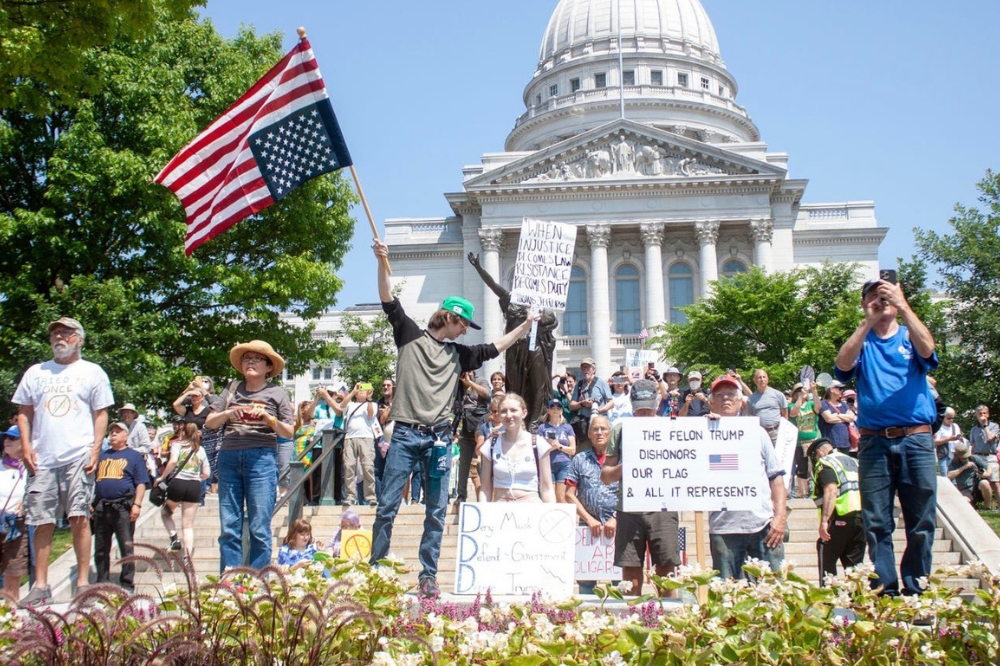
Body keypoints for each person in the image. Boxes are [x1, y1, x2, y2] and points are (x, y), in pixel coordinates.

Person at [369, 238, 539, 599]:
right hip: (404, 435)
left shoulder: (461, 355)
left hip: (439, 439)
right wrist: (382, 261)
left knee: (436, 510)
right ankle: (376, 569)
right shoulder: (410, 336)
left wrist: (525, 327)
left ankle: (427, 577)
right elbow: (388, 300)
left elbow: (495, 347)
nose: (466, 331)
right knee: (386, 507)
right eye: (464, 324)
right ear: (450, 318)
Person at [835, 276, 938, 596]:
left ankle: (916, 585)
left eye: (885, 296)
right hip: (875, 441)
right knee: (877, 521)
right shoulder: (862, 343)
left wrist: (903, 305)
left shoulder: (909, 335)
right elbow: (841, 364)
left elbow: (929, 350)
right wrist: (867, 321)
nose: (880, 303)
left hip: (916, 439)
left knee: (921, 520)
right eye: (872, 298)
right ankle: (886, 589)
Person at [12, 316, 115, 607]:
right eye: (55, 333)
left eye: (66, 333)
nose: (59, 337)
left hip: (78, 454)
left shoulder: (92, 372)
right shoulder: (36, 372)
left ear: (79, 339)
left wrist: (96, 449)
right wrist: (26, 445)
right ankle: (41, 585)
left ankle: (83, 583)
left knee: (79, 516)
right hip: (42, 456)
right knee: (40, 519)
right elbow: (24, 412)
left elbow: (101, 413)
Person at [205, 340, 293, 571]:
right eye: (246, 358)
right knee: (229, 525)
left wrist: (269, 418)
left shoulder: (277, 393)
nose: (250, 362)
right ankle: (231, 577)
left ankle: (257, 580)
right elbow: (210, 422)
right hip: (229, 457)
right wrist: (228, 412)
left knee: (259, 526)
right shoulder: (232, 388)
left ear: (268, 367)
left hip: (262, 458)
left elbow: (290, 431)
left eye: (256, 359)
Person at [600, 379, 680, 596]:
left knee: (666, 570)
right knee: (631, 571)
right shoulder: (620, 430)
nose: (644, 414)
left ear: (656, 405)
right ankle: (632, 619)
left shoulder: (671, 428)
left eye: (648, 409)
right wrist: (628, 465)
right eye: (639, 410)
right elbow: (606, 476)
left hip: (663, 507)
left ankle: (668, 621)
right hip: (629, 509)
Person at [705, 374, 787, 580]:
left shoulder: (758, 432)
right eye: (719, 394)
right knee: (728, 597)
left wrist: (779, 517)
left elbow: (776, 477)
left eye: (731, 394)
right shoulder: (701, 432)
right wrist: (705, 431)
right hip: (724, 528)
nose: (726, 398)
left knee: (773, 594)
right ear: (711, 402)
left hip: (763, 525)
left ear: (740, 401)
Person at [468, 252, 559, 430]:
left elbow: (552, 322)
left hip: (535, 347)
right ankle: (518, 418)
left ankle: (534, 421)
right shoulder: (511, 299)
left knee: (537, 383)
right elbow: (493, 286)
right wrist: (478, 267)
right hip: (515, 349)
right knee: (515, 385)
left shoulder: (540, 305)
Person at [92, 421, 149, 592]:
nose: (114, 434)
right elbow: (93, 481)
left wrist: (137, 504)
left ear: (126, 436)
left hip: (123, 507)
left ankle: (127, 583)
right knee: (101, 548)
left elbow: (140, 483)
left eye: (118, 431)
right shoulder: (102, 455)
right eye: (112, 432)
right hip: (102, 507)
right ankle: (102, 580)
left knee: (126, 547)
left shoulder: (134, 456)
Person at [565, 415, 618, 595]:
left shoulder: (620, 460)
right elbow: (569, 494)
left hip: (617, 527)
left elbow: (630, 493)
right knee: (586, 583)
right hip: (587, 528)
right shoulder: (579, 460)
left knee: (620, 580)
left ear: (610, 433)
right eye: (595, 429)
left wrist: (616, 519)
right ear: (589, 434)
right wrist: (588, 519)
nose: (599, 432)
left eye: (603, 429)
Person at [478, 393, 556, 503]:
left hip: (531, 509)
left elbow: (547, 488)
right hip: (500, 509)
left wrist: (550, 515)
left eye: (513, 410)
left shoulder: (538, 444)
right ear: (499, 415)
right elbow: (485, 488)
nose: (509, 415)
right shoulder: (490, 445)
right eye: (504, 411)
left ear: (524, 413)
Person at [807, 438, 865, 584]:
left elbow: (831, 490)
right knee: (854, 568)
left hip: (839, 516)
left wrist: (824, 521)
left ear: (819, 453)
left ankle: (828, 599)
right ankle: (857, 601)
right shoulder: (853, 462)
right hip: (860, 518)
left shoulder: (826, 463)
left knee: (826, 558)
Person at [154, 418, 210, 558]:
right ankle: (187, 557)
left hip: (178, 483)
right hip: (194, 485)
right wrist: (197, 477)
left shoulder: (177, 445)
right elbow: (207, 473)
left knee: (166, 513)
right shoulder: (200, 449)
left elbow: (172, 461)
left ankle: (174, 538)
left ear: (184, 432)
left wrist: (162, 477)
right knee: (188, 525)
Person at [0, 425, 29, 601]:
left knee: (13, 568)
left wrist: (25, 503)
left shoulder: (30, 469)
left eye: (12, 438)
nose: (7, 441)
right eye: (6, 438)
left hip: (17, 525)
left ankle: (10, 613)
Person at [339, 383, 378, 507]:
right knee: (349, 466)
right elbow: (342, 406)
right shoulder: (350, 404)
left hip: (366, 438)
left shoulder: (372, 404)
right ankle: (350, 496)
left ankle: (370, 496)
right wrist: (352, 392)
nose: (361, 391)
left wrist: (369, 399)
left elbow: (371, 414)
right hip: (350, 437)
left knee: (368, 467)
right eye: (360, 389)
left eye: (363, 390)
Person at [455, 371, 491, 503]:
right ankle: (461, 495)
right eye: (465, 371)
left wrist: (470, 383)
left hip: (480, 425)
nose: (467, 373)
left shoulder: (480, 380)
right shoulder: (457, 383)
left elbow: (487, 394)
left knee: (483, 463)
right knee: (464, 463)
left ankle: (485, 495)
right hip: (465, 426)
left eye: (470, 370)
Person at [537, 398, 576, 502]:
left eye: (558, 407)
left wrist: (559, 446)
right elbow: (538, 450)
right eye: (552, 407)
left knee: (561, 497)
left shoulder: (567, 428)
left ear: (561, 411)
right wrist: (550, 447)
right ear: (548, 410)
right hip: (548, 464)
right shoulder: (542, 428)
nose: (555, 409)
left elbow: (573, 450)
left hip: (564, 464)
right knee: (550, 497)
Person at [570, 358, 612, 449]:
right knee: (585, 450)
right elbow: (572, 405)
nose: (585, 370)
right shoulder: (579, 384)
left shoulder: (601, 382)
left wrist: (600, 410)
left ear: (594, 369)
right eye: (583, 368)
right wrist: (582, 403)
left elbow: (611, 402)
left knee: (602, 449)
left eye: (588, 368)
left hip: (599, 422)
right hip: (585, 426)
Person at [789, 382, 822, 498]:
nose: (801, 392)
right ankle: (805, 494)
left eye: (802, 390)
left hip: (815, 441)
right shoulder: (790, 405)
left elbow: (818, 408)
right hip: (799, 443)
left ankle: (818, 491)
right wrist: (799, 399)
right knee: (802, 469)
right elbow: (793, 413)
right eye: (798, 391)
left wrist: (814, 390)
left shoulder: (811, 403)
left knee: (818, 466)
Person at [969, 405, 1000, 510]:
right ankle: (985, 505)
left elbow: (990, 437)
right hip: (978, 456)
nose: (982, 416)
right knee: (977, 481)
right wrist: (971, 458)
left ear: (988, 414)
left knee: (995, 482)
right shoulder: (973, 429)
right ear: (976, 415)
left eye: (984, 413)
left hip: (990, 456)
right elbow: (972, 445)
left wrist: (985, 426)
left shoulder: (994, 426)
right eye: (980, 414)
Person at [747, 369, 788, 444]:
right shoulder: (751, 399)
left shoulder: (778, 394)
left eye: (764, 377)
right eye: (759, 377)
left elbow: (785, 415)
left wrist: (784, 431)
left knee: (777, 455)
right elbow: (750, 417)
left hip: (776, 432)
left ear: (768, 379)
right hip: (760, 433)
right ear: (755, 380)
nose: (762, 379)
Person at [947, 443, 993, 508]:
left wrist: (987, 474)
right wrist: (964, 467)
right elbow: (949, 475)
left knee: (985, 483)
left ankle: (987, 507)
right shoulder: (953, 463)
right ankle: (973, 504)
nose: (966, 458)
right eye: (963, 457)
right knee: (964, 501)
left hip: (977, 486)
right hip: (965, 489)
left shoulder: (973, 458)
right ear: (957, 456)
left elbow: (988, 467)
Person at [293, 401, 320, 504]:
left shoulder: (314, 422)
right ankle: (301, 499)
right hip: (298, 449)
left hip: (309, 449)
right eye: (308, 408)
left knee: (310, 474)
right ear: (302, 410)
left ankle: (311, 498)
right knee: (299, 473)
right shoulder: (297, 422)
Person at [819, 381, 855, 453]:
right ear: (831, 389)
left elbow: (851, 417)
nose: (842, 391)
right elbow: (829, 419)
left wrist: (838, 415)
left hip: (845, 444)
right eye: (840, 388)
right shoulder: (823, 403)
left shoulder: (843, 404)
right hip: (831, 444)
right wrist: (845, 418)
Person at [934, 407, 964, 477]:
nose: (951, 420)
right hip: (944, 455)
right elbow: (935, 442)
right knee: (945, 477)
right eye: (949, 418)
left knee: (955, 477)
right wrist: (948, 439)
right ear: (944, 417)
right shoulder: (939, 427)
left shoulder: (955, 426)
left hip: (955, 455)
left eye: (952, 418)